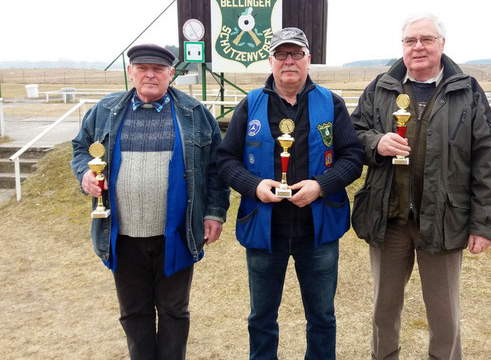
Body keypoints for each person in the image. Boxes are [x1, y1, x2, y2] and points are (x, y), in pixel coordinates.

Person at [350, 14, 491, 360]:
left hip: (445, 219)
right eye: (410, 41)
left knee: (444, 314)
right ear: (402, 47)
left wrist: (485, 224)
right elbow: (352, 138)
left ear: (442, 44)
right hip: (389, 217)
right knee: (383, 309)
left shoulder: (467, 91)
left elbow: (488, 160)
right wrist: (376, 142)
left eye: (426, 39)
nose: (417, 47)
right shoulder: (381, 87)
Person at [70, 44, 230, 360]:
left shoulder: (196, 115)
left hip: (177, 234)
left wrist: (214, 213)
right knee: (133, 312)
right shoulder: (105, 111)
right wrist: (85, 176)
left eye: (158, 69)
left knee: (174, 311)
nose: (150, 75)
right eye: (142, 68)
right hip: (122, 234)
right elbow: (80, 149)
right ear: (131, 72)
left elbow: (217, 168)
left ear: (172, 74)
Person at [217, 27, 364, 359]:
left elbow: (353, 157)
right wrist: (254, 186)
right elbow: (225, 160)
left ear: (308, 60)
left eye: (296, 54)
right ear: (270, 61)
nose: (289, 61)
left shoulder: (332, 103)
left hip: (318, 231)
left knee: (322, 318)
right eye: (281, 54)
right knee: (261, 319)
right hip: (265, 232)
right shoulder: (250, 104)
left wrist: (320, 186)